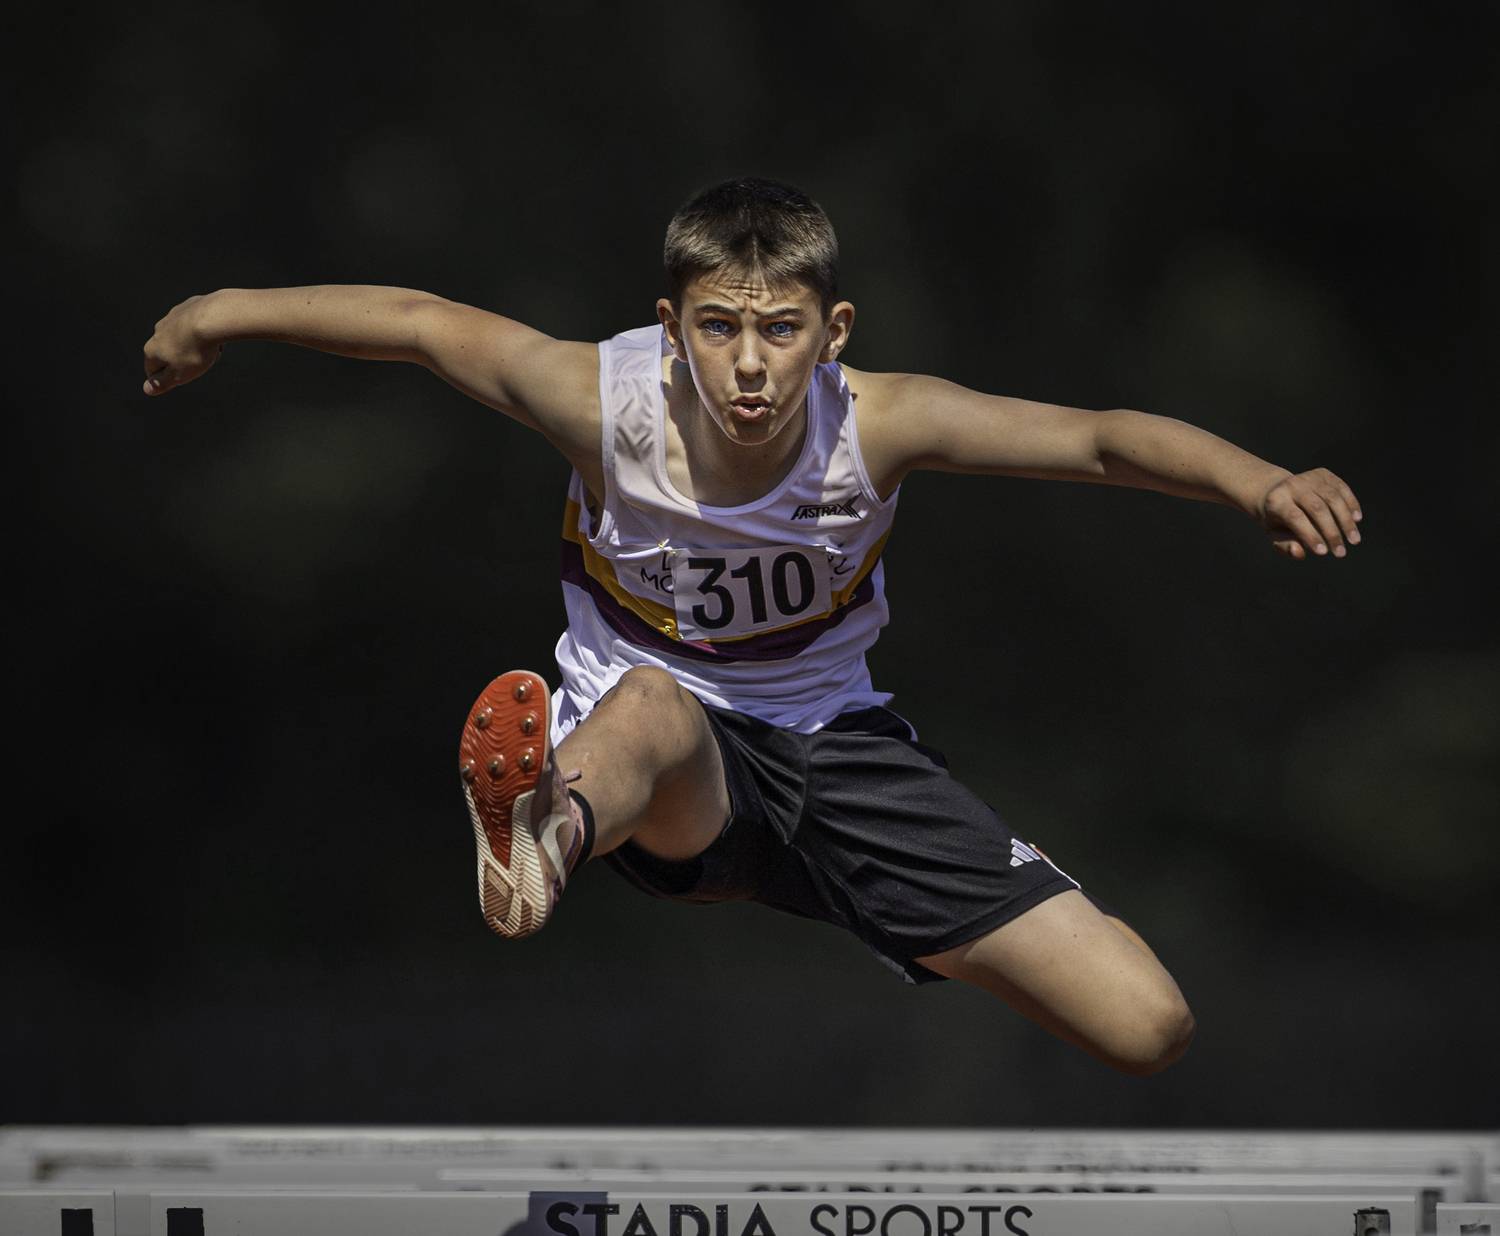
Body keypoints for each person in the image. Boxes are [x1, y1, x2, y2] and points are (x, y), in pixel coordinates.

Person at [142, 178, 1362, 1077]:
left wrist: (1256, 482)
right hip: (664, 763)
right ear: (670, 326)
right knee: (664, 704)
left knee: (1147, 1024)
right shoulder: (597, 403)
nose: (749, 368)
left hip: (839, 749)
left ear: (833, 335)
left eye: (780, 330)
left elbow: (1096, 438)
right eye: (718, 327)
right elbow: (414, 319)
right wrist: (221, 309)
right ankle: (545, 831)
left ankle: (905, 920)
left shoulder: (880, 423)